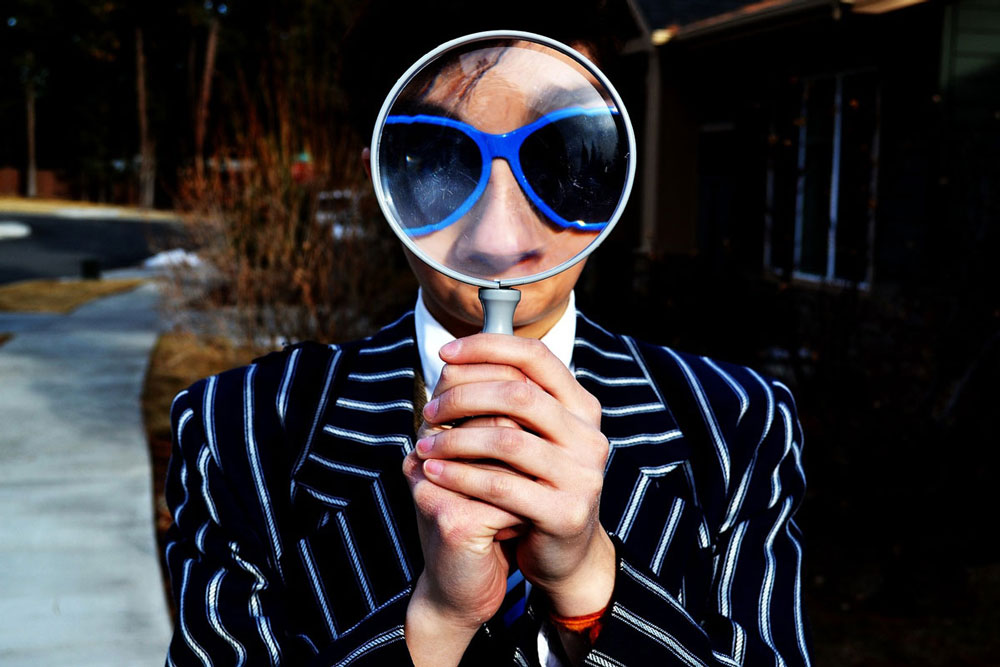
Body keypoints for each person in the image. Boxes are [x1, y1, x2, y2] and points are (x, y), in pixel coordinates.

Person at [164, 2, 811, 665]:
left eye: (562, 152)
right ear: (379, 181)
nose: (498, 240)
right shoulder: (240, 430)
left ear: (616, 164)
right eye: (439, 163)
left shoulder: (738, 425)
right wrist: (436, 621)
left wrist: (590, 582)